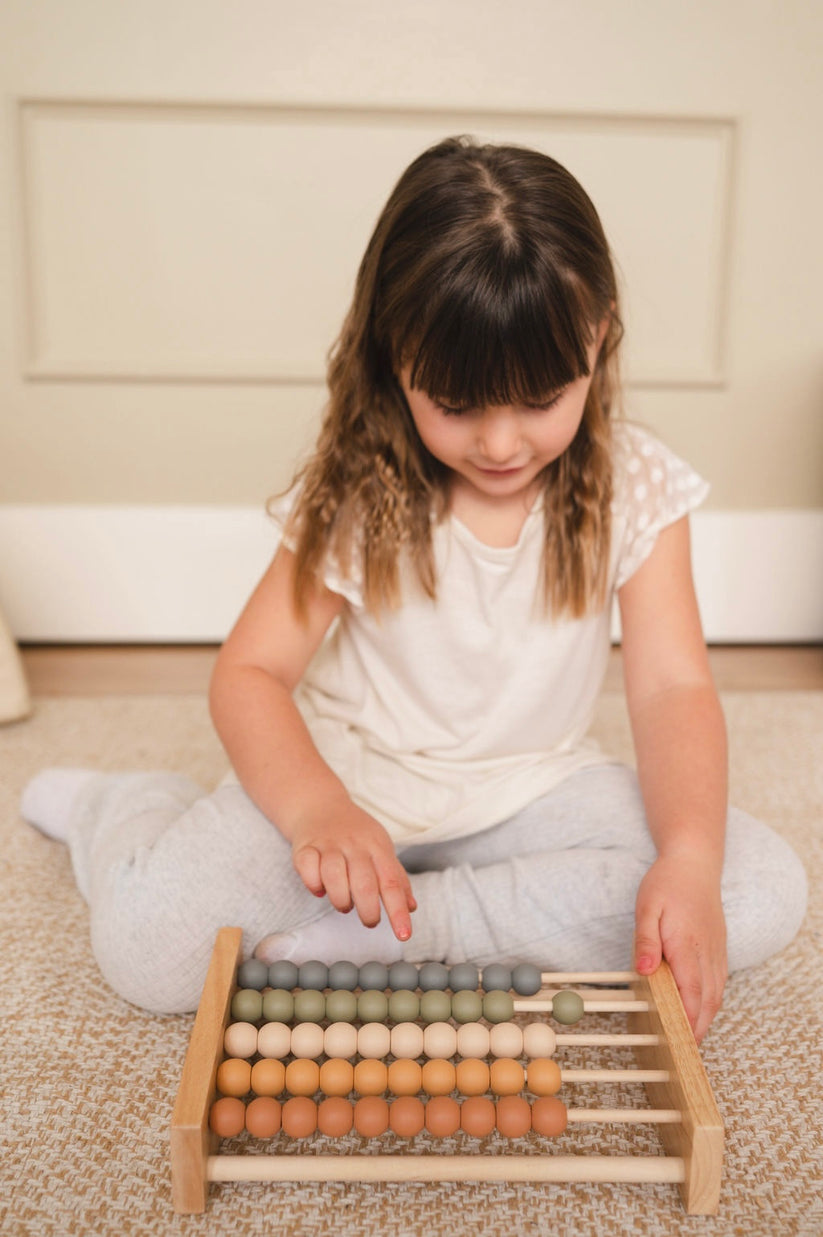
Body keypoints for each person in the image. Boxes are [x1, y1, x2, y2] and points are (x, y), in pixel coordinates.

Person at [21, 137, 806, 1039]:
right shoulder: (363, 486)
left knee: (753, 887)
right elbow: (248, 673)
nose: (502, 445)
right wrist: (318, 808)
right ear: (397, 357)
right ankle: (120, 807)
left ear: (600, 333)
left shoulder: (640, 487)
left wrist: (690, 857)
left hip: (530, 786)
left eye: (541, 397)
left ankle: (417, 927)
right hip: (353, 778)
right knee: (147, 954)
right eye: (459, 404)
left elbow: (671, 688)